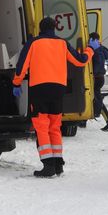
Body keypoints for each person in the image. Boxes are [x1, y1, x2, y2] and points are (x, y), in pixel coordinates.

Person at [13, 17, 94, 177]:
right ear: (54, 28)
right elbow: (79, 61)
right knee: (55, 126)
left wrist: (16, 83)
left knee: (41, 125)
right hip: (58, 88)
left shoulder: (34, 43)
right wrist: (90, 49)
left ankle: (48, 165)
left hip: (39, 88)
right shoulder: (62, 43)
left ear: (40, 29)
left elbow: (22, 65)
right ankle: (58, 164)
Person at [89, 32, 108, 132]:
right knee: (96, 98)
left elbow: (98, 63)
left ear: (92, 39)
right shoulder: (100, 49)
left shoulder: (97, 50)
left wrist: (93, 73)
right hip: (100, 77)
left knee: (97, 99)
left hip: (96, 77)